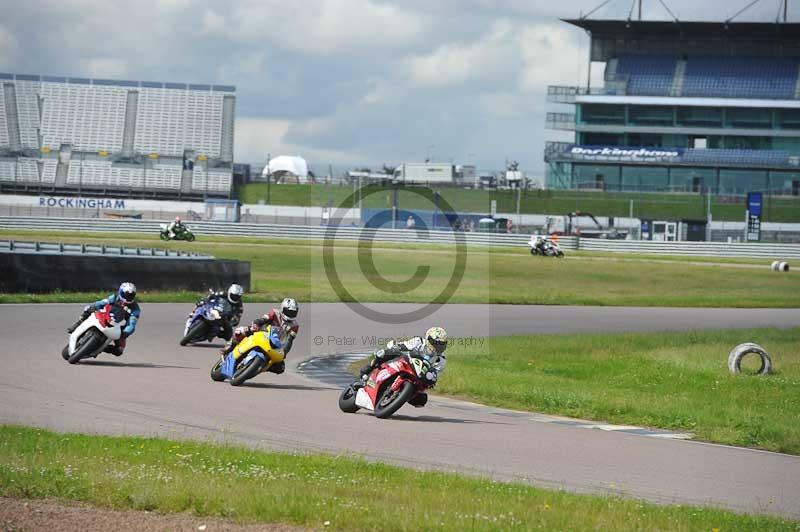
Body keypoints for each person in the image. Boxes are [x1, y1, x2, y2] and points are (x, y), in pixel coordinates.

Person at [358, 326, 448, 408]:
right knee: (385, 353)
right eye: (435, 342)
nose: (437, 346)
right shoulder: (419, 341)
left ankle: (399, 396)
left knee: (421, 400)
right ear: (428, 339)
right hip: (406, 363)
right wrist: (397, 347)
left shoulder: (441, 359)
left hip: (419, 376)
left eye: (441, 344)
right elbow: (404, 345)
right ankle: (368, 368)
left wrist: (431, 382)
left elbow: (436, 374)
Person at [219, 297, 300, 375]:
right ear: (283, 308)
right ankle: (230, 346)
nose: (290, 314)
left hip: (275, 344)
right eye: (288, 311)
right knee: (240, 331)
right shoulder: (275, 312)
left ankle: (259, 367)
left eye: (293, 312)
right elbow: (263, 319)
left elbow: (290, 341)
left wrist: (284, 351)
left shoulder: (294, 326)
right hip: (261, 332)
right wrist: (257, 323)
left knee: (280, 368)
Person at [66, 282, 140, 356]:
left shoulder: (135, 309)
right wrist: (94, 306)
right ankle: (78, 323)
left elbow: (132, 323)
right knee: (89, 309)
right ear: (120, 292)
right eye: (126, 294)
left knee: (119, 351)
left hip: (119, 328)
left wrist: (125, 333)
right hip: (106, 316)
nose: (128, 297)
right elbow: (102, 302)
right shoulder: (115, 297)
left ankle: (102, 348)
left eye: (131, 295)